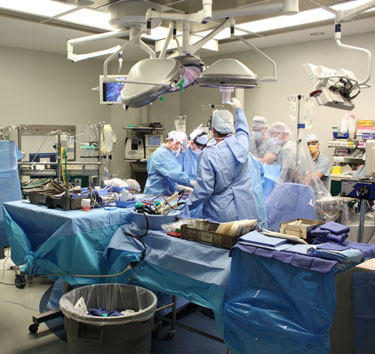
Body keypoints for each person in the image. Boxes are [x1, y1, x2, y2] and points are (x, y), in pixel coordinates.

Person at [189, 98, 260, 222]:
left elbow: (204, 190)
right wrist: (239, 110)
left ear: (213, 129)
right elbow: (243, 130)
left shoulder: (208, 154)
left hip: (221, 212)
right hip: (246, 209)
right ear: (231, 127)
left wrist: (186, 205)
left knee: (222, 240)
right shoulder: (241, 145)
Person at [144, 130, 191, 196]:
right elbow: (175, 174)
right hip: (156, 195)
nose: (180, 152)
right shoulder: (161, 154)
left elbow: (168, 180)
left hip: (163, 194)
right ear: (177, 144)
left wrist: (183, 188)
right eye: (181, 149)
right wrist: (191, 182)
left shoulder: (168, 153)